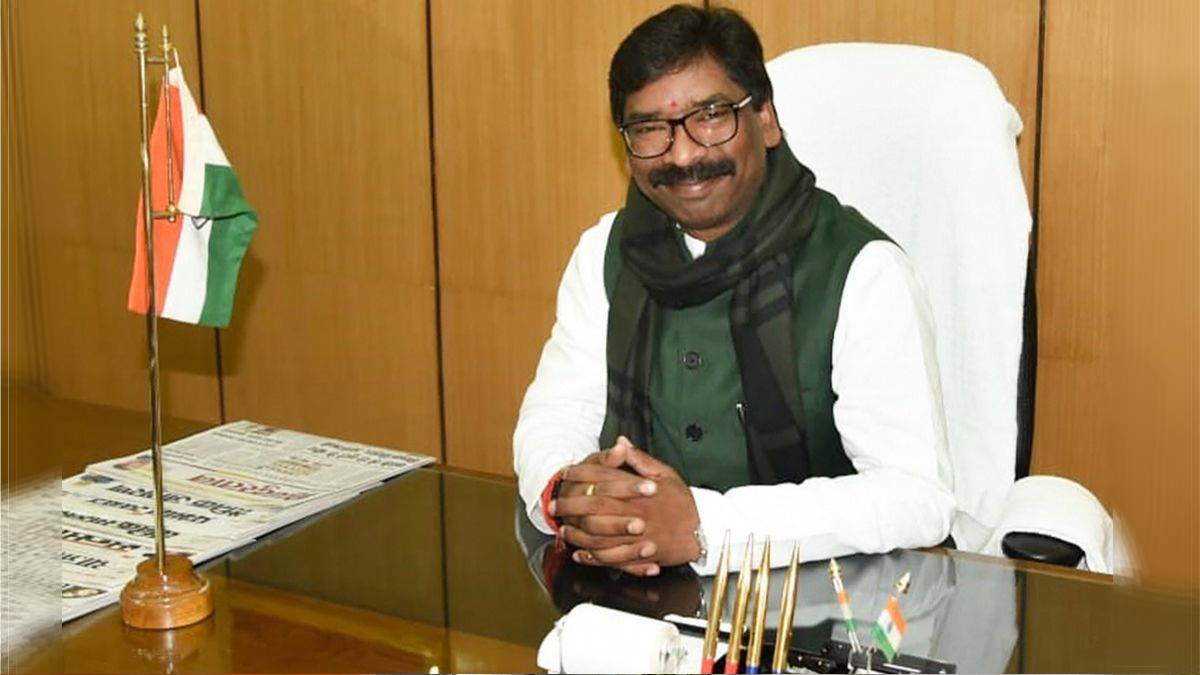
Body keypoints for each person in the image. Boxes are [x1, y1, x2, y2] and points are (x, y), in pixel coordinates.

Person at [513, 4, 955, 577]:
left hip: (822, 602)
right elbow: (556, 413)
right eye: (649, 129)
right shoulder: (606, 251)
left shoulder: (863, 270)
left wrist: (705, 527)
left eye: (711, 116)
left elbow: (916, 496)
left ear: (766, 119)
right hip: (633, 593)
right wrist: (574, 492)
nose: (683, 154)